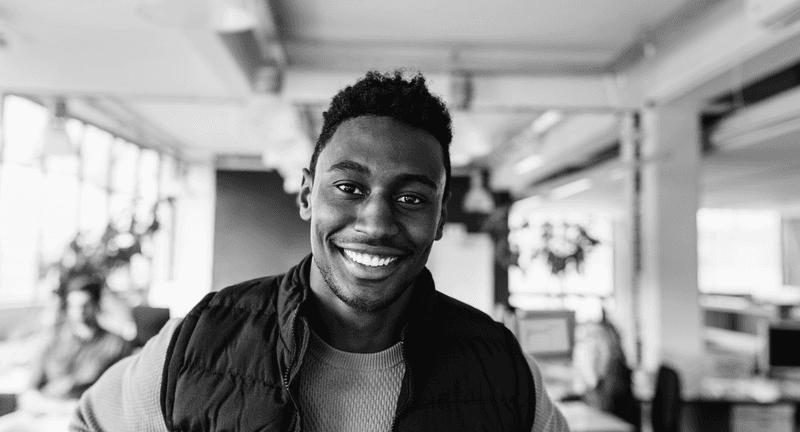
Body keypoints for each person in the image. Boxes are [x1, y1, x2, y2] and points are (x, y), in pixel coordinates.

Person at [70, 70, 569, 432]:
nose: (375, 222)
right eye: (350, 188)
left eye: (411, 198)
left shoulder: (501, 368)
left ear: (439, 218)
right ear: (308, 195)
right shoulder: (201, 340)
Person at [0, 275, 132, 432]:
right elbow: (28, 392)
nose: (79, 312)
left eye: (85, 305)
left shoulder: (115, 345)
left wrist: (66, 410)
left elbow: (116, 401)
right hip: (37, 413)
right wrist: (51, 407)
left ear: (96, 305)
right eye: (73, 306)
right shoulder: (54, 339)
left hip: (76, 419)